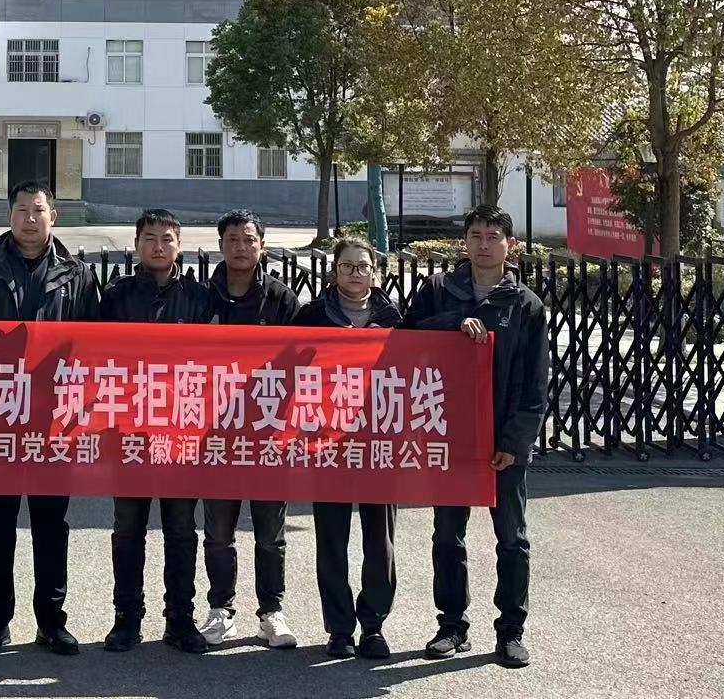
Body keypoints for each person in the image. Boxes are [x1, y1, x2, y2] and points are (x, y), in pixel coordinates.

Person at [0, 180, 102, 657]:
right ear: (9, 215)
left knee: (51, 524)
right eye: (21, 210)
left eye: (38, 210)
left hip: (54, 420)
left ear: (54, 216)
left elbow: (95, 345)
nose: (29, 219)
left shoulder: (78, 275)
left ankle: (52, 622)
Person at [403, 203, 548, 669]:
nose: (484, 245)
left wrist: (515, 442)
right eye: (476, 236)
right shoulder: (438, 290)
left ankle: (511, 631)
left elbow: (536, 382)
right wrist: (452, 324)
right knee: (448, 535)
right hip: (448, 436)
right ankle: (451, 626)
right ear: (463, 242)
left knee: (512, 539)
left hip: (502, 443)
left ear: (510, 245)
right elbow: (405, 339)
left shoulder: (524, 304)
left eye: (493, 237)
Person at [98, 208, 214, 654]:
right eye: (149, 238)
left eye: (167, 239)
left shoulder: (200, 298)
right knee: (128, 528)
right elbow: (96, 358)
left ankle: (180, 619)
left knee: (181, 529)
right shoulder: (116, 296)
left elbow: (217, 363)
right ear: (136, 245)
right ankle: (126, 618)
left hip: (181, 432)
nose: (158, 246)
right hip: (127, 431)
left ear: (179, 246)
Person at [197, 209, 301, 650]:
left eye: (249, 239)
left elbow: (303, 362)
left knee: (269, 534)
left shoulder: (281, 299)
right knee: (218, 532)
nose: (241, 247)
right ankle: (220, 610)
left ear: (262, 244)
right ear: (221, 245)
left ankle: (271, 612)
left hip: (267, 432)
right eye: (233, 240)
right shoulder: (202, 298)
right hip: (214, 432)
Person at [293, 238, 402, 660]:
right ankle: (339, 628)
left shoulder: (395, 318)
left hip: (378, 441)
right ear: (334, 271)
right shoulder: (312, 316)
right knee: (332, 538)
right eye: (347, 266)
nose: (355, 274)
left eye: (363, 267)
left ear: (376, 272)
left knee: (380, 540)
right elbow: (285, 368)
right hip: (327, 442)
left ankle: (373, 626)